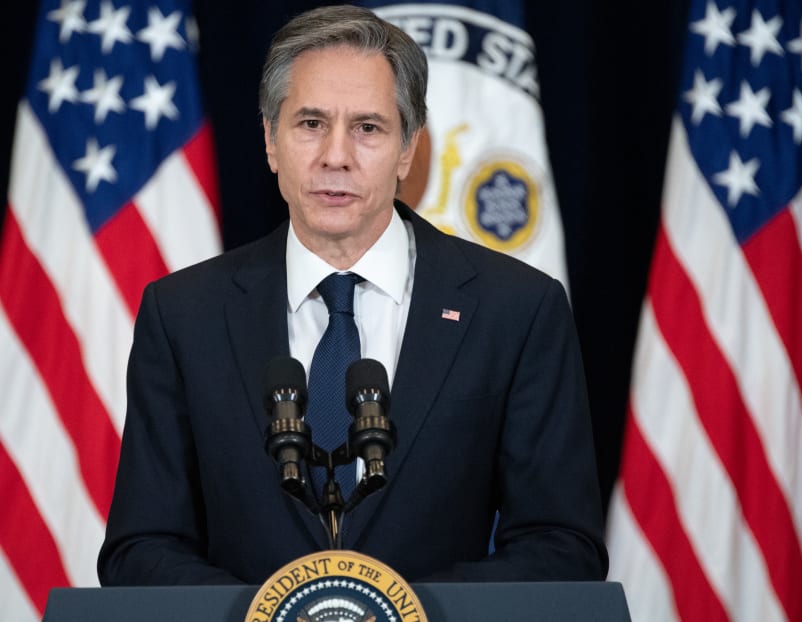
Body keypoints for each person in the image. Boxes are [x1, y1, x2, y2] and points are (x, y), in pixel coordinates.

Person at [98, 4, 608, 585]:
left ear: (409, 149)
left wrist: (396, 610)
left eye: (367, 128)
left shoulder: (517, 310)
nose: (335, 156)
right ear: (270, 140)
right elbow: (139, 549)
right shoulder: (183, 315)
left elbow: (563, 546)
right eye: (310, 124)